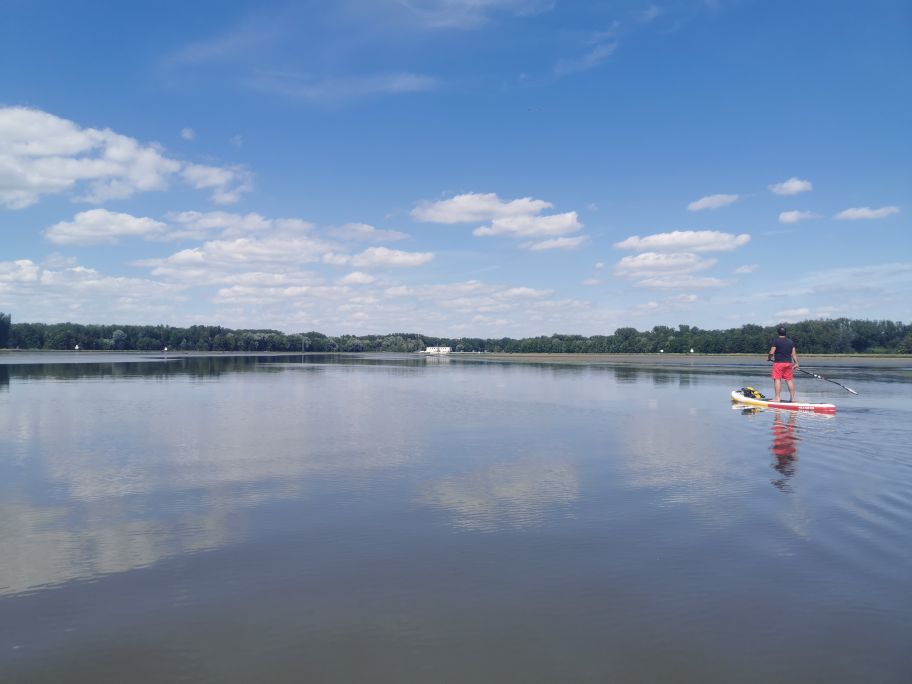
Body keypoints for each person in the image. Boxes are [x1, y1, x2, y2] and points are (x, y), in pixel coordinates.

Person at [768, 326, 799, 402]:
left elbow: (771, 352)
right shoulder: (791, 342)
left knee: (777, 379)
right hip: (788, 364)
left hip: (778, 363)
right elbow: (793, 354)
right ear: (785, 333)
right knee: (789, 380)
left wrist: (769, 358)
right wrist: (796, 363)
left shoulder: (776, 341)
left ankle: (777, 398)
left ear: (778, 333)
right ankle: (792, 398)